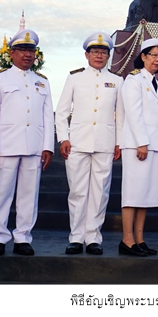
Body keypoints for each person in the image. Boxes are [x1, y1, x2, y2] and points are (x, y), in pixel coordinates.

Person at [0, 29, 54, 256]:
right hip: (6, 146)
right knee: (1, 193)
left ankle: (23, 237)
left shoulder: (42, 82)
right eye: (22, 50)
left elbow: (47, 116)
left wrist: (47, 146)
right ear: (12, 53)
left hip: (33, 146)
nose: (27, 55)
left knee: (28, 195)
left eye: (31, 50)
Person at [55, 32, 123, 256]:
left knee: (100, 192)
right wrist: (63, 137)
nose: (99, 56)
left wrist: (119, 142)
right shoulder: (75, 78)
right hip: (77, 141)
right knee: (77, 191)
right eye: (95, 52)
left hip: (105, 142)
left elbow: (120, 115)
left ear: (108, 56)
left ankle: (93, 237)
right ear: (86, 54)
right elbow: (62, 111)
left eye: (104, 52)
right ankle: (76, 237)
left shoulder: (117, 80)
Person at [118, 38, 158, 257]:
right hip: (138, 145)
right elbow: (133, 112)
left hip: (152, 146)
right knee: (133, 193)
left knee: (145, 194)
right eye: (154, 55)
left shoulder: (157, 83)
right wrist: (142, 142)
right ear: (144, 57)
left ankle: (139, 238)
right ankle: (127, 240)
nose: (157, 60)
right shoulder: (134, 79)